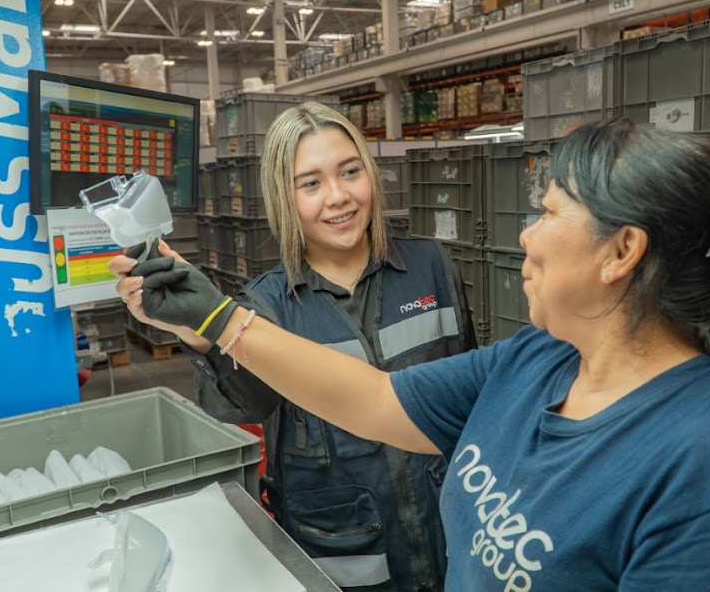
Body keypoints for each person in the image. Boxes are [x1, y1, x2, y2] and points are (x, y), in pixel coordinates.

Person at [114, 118, 710, 590]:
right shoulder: (540, 360)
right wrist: (218, 318)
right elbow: (373, 399)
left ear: (620, 251)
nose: (524, 235)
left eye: (548, 212)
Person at [111, 102, 477, 591]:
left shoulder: (431, 266)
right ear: (283, 198)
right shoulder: (265, 305)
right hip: (346, 560)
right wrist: (199, 330)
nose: (338, 197)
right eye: (311, 183)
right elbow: (244, 403)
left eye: (351, 172)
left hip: (452, 540)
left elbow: (469, 397)